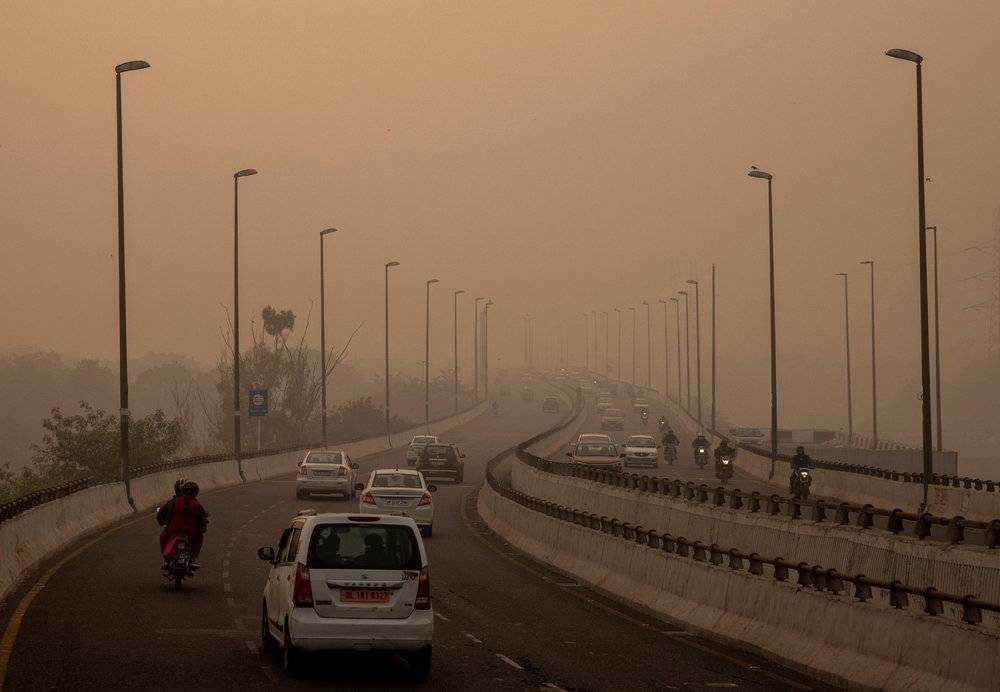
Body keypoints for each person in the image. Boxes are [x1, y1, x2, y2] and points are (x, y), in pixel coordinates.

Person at [158, 480, 209, 567]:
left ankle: (166, 559)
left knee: (163, 536)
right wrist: (203, 528)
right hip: (191, 532)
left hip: (174, 530)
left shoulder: (175, 502)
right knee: (199, 537)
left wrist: (165, 524)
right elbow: (202, 519)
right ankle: (193, 558)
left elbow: (165, 515)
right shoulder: (196, 504)